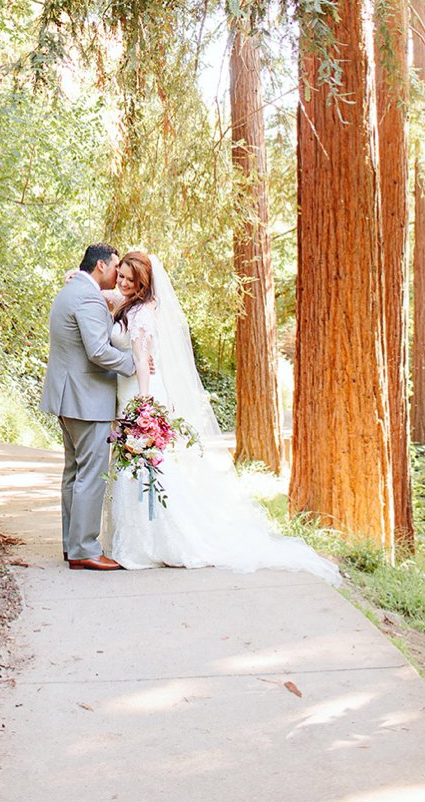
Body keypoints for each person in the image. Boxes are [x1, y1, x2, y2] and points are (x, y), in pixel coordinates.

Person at [103, 249, 340, 581]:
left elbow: (142, 360)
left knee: (145, 465)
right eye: (122, 277)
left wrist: (144, 405)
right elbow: (106, 294)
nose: (124, 283)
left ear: (143, 283)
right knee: (137, 465)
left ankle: (149, 543)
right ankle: (135, 539)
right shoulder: (131, 305)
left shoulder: (141, 313)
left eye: (131, 279)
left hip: (140, 392)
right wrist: (80, 279)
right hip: (127, 390)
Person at [41, 242, 136, 571]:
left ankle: (73, 546)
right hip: (87, 400)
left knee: (74, 473)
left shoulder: (72, 290)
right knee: (91, 475)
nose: (117, 274)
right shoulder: (87, 296)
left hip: (70, 397)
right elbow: (98, 350)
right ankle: (85, 548)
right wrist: (133, 362)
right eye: (114, 267)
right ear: (100, 265)